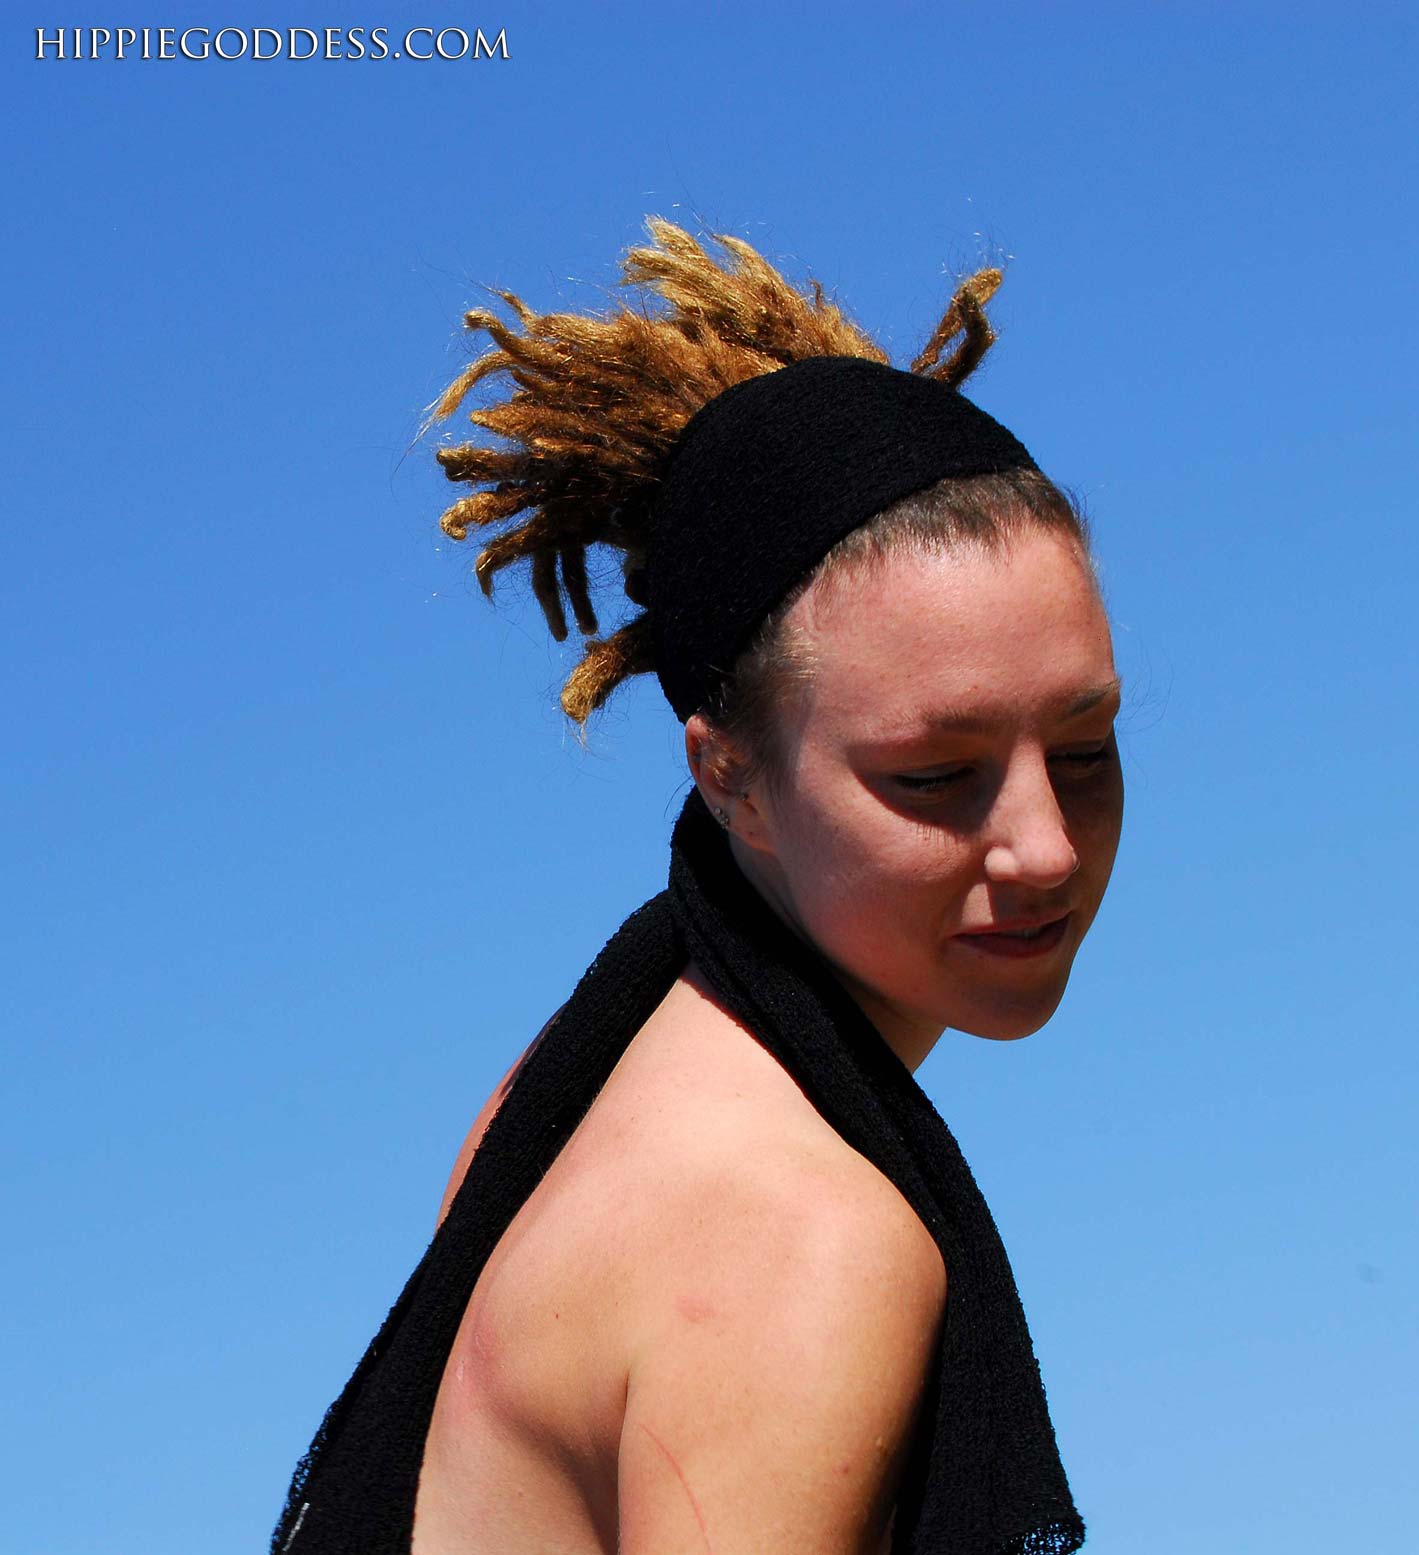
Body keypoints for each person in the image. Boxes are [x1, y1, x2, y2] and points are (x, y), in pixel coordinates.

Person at [271, 217, 1123, 1555]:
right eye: (935, 775)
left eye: (1083, 749)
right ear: (730, 779)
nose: (1046, 846)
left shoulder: (577, 1088)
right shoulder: (793, 1245)